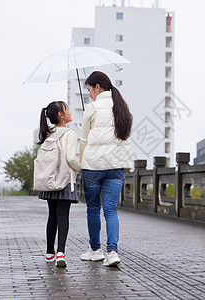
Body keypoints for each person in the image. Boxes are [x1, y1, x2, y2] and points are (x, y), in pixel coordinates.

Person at [79, 71, 133, 267]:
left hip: (93, 167)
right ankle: (112, 252)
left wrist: (81, 162)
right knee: (111, 210)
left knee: (93, 208)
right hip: (116, 167)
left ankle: (95, 250)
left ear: (97, 87)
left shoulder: (92, 108)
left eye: (89, 90)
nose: (89, 94)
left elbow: (84, 140)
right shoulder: (123, 108)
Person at [37, 101, 81, 268]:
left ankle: (50, 253)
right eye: (67, 109)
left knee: (52, 216)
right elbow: (71, 158)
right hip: (64, 181)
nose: (70, 111)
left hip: (49, 180)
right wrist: (82, 168)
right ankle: (61, 252)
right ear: (61, 115)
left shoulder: (48, 133)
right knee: (63, 216)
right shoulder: (69, 133)